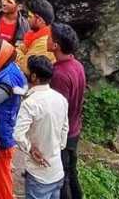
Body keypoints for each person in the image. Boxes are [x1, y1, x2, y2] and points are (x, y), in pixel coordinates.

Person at [14, 56, 69, 199]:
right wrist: (54, 148)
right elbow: (64, 132)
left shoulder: (30, 103)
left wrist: (31, 149)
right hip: (57, 171)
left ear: (33, 76)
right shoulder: (60, 99)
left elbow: (18, 135)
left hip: (39, 175)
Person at [0, 39, 28, 199]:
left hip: (1, 134)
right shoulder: (4, 66)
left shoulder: (8, 78)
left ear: (0, 56)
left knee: (0, 180)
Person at [49, 24, 86, 199]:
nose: (46, 39)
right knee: (71, 172)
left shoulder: (59, 75)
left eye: (50, 37)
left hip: (62, 134)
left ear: (55, 45)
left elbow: (57, 111)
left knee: (61, 178)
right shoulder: (76, 64)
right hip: (74, 129)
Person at [17, 0, 54, 73]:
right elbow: (21, 48)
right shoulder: (34, 35)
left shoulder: (43, 42)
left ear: (39, 20)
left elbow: (25, 68)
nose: (27, 19)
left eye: (30, 17)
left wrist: (16, 53)